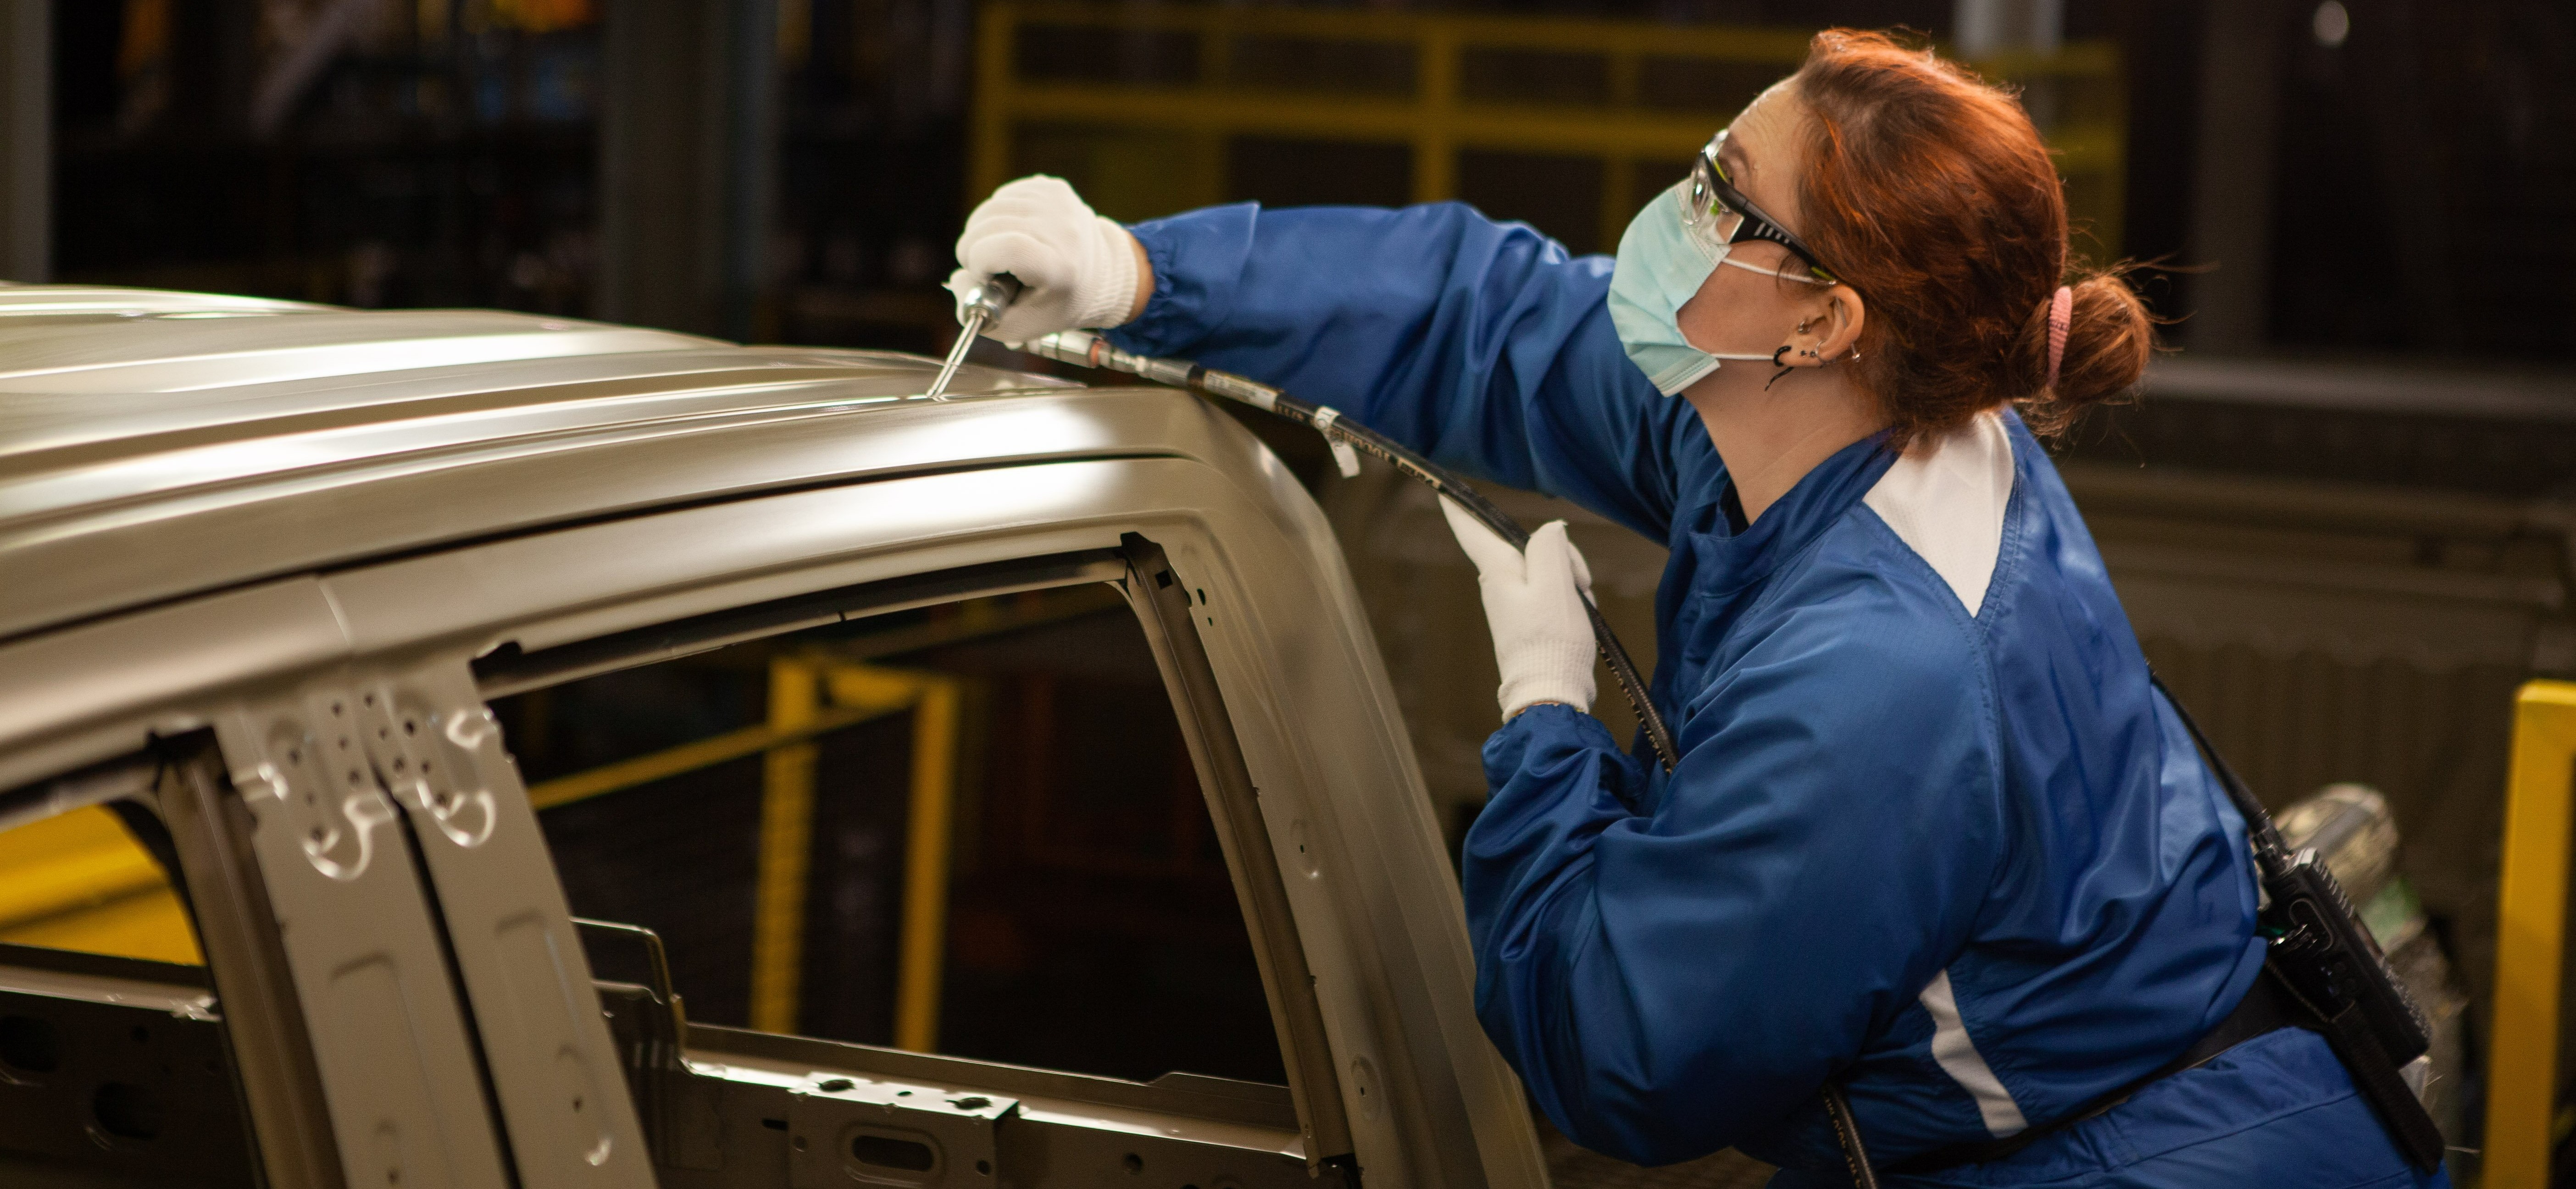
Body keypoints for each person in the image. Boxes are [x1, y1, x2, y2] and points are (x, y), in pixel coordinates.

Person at [945, 29, 2444, 1189]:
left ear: (1819, 321)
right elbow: (1492, 319)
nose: (1672, 212)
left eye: (1720, 194)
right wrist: (1147, 271)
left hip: (2153, 1158)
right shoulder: (1824, 414)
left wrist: (1543, 732)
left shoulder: (1888, 673)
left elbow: (1623, 1050)